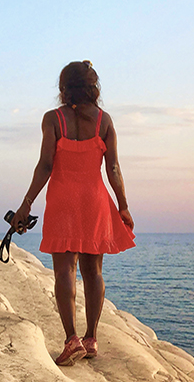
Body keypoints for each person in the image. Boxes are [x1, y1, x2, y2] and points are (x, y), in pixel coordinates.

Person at [11, 60, 136, 366]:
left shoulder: (53, 119)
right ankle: (91, 339)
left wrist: (26, 203)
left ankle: (71, 341)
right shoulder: (105, 121)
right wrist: (123, 206)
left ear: (63, 88)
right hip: (95, 201)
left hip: (63, 199)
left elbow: (45, 165)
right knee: (94, 271)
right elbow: (114, 168)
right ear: (94, 88)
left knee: (64, 270)